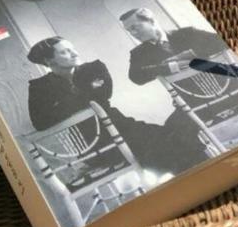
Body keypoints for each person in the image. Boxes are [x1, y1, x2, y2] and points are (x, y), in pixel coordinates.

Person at [26, 36, 164, 173]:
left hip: (122, 127)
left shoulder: (94, 67)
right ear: (49, 60)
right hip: (93, 147)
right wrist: (88, 90)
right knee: (157, 146)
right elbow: (40, 122)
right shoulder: (40, 86)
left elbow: (104, 95)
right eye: (65, 52)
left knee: (164, 138)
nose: (75, 53)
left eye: (72, 49)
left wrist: (62, 104)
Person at [120, 8, 226, 165]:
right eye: (129, 30)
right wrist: (169, 67)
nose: (133, 33)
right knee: (171, 135)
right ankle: (209, 166)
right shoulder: (139, 53)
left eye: (135, 27)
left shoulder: (187, 33)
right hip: (190, 105)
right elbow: (136, 77)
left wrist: (189, 56)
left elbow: (221, 41)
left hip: (228, 93)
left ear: (150, 20)